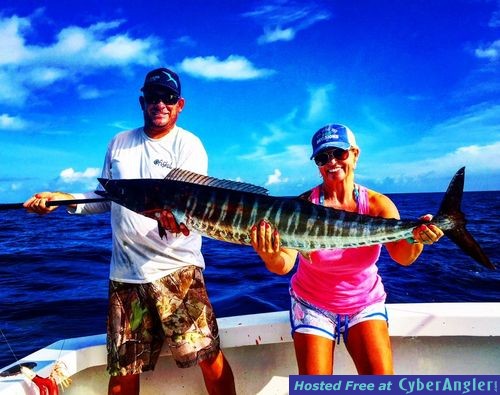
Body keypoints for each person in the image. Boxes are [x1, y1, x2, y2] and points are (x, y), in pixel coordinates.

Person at [24, 68, 236, 395]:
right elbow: (106, 198)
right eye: (153, 97)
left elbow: (190, 207)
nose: (159, 104)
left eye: (167, 98)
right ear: (142, 101)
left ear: (179, 104)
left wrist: (178, 221)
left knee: (208, 357)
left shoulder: (189, 145)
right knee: (123, 370)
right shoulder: (119, 143)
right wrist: (62, 199)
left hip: (177, 272)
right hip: (125, 276)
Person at [250, 123, 444, 375]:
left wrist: (418, 238)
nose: (332, 162)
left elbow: (402, 257)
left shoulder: (377, 205)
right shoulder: (301, 206)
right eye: (322, 157)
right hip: (312, 304)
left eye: (339, 153)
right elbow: (284, 264)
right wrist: (268, 252)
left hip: (364, 303)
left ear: (355, 154)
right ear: (317, 165)